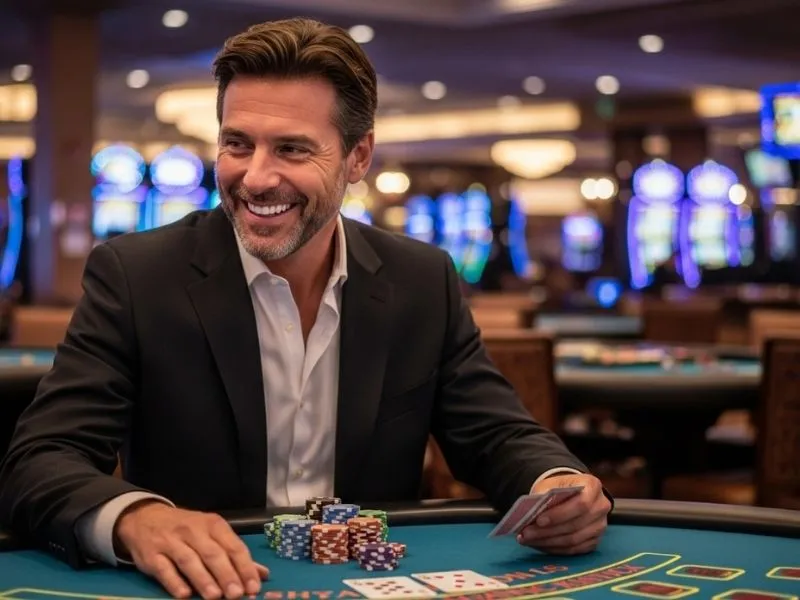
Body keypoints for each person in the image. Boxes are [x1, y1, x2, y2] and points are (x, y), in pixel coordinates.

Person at [0, 17, 611, 600]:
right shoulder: (137, 276)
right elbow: (40, 460)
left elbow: (495, 433)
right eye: (237, 143)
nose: (256, 178)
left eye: (292, 149)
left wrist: (554, 483)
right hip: (204, 589)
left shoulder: (420, 279)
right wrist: (136, 517)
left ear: (357, 157)